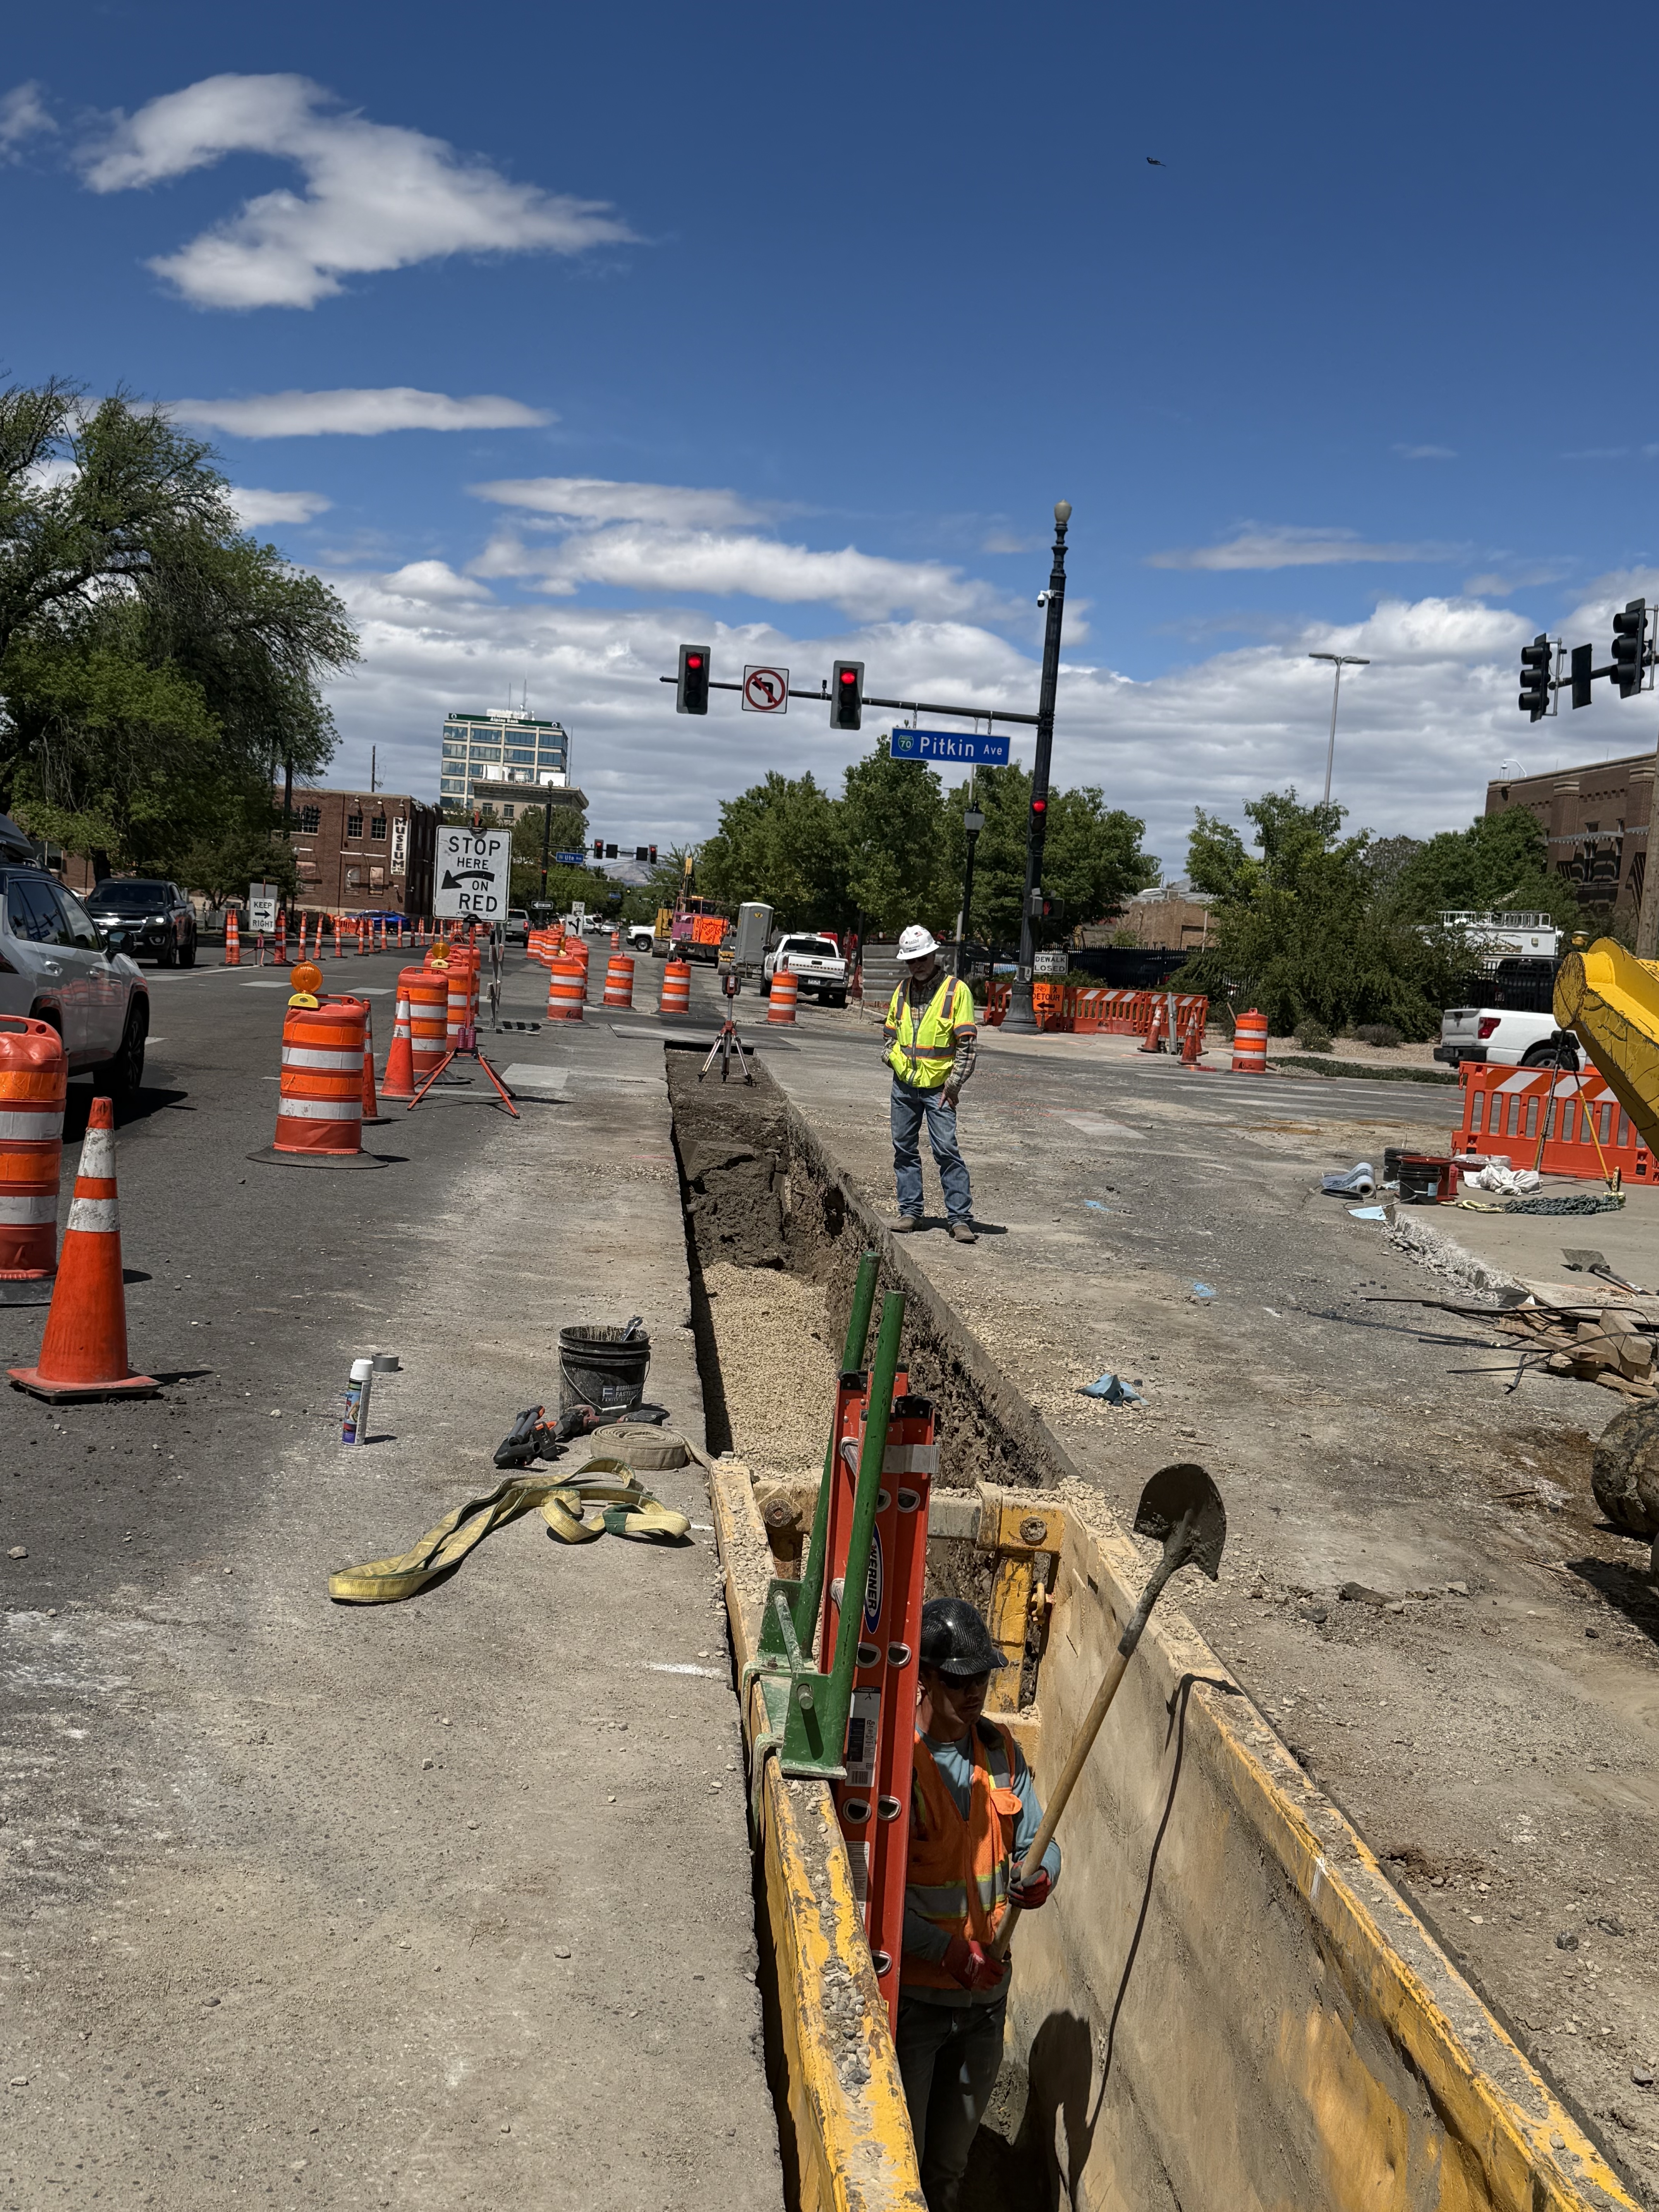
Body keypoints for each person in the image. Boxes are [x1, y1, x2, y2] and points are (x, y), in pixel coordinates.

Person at [897, 1597, 1060, 2212]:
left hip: (985, 2008)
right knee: (901, 2157)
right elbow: (876, 1900)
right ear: (926, 1678)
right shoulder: (898, 1766)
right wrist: (947, 1952)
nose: (974, 1697)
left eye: (983, 1681)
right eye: (961, 1682)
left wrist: (1041, 1873)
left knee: (947, 2169)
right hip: (918, 2004)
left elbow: (1041, 1843)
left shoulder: (1001, 1754)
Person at [884, 924, 979, 1243]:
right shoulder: (902, 990)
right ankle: (910, 1212)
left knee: (946, 1150)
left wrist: (953, 1086)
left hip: (940, 1089)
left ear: (934, 954)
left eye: (922, 958)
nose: (917, 965)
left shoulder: (955, 991)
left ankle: (960, 1219)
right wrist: (893, 1061)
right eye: (911, 961)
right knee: (904, 1149)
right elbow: (890, 1037)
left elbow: (967, 1046)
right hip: (904, 1087)